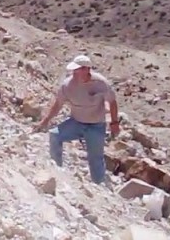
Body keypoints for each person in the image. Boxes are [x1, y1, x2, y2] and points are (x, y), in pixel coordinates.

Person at [34, 54, 121, 185]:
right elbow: (58, 104)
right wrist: (45, 121)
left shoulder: (101, 83)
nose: (74, 73)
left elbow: (112, 102)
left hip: (96, 126)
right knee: (54, 135)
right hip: (76, 122)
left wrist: (114, 123)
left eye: (77, 70)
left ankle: (100, 187)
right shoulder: (67, 85)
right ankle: (57, 171)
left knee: (95, 158)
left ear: (87, 69)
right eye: (73, 70)